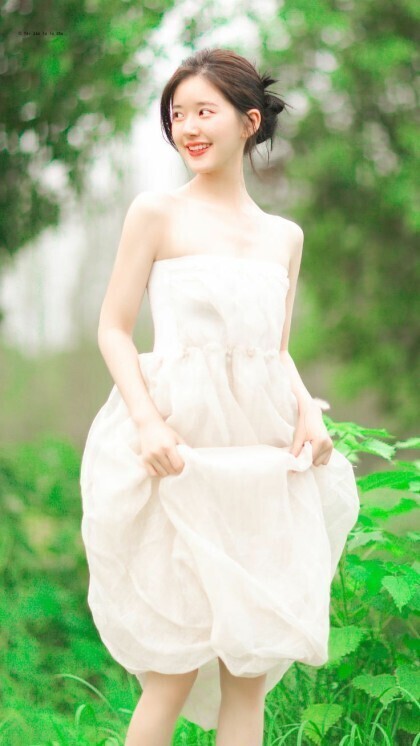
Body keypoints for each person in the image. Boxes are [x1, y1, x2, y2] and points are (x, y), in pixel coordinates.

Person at [80, 47, 360, 746]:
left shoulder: (284, 237)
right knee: (171, 670)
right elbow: (113, 328)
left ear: (249, 121)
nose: (188, 128)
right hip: (180, 448)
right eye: (177, 115)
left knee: (247, 668)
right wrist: (147, 423)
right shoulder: (156, 213)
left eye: (204, 111)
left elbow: (274, 350)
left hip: (259, 457)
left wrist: (307, 410)